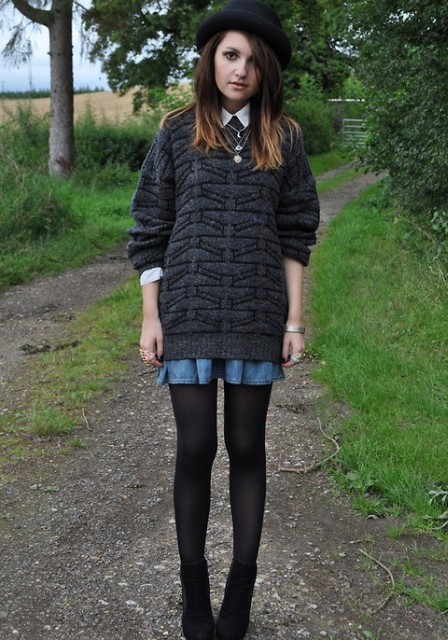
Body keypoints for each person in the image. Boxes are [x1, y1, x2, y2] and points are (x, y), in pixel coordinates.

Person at [127, 1, 319, 638]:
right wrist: (151, 318)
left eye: (252, 60)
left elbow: (296, 234)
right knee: (194, 447)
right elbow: (150, 229)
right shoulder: (177, 131)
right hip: (187, 312)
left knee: (245, 449)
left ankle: (239, 595)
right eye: (229, 55)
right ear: (211, 60)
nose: (239, 70)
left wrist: (293, 322)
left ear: (266, 72)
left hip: (256, 313)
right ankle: (194, 595)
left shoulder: (284, 138)